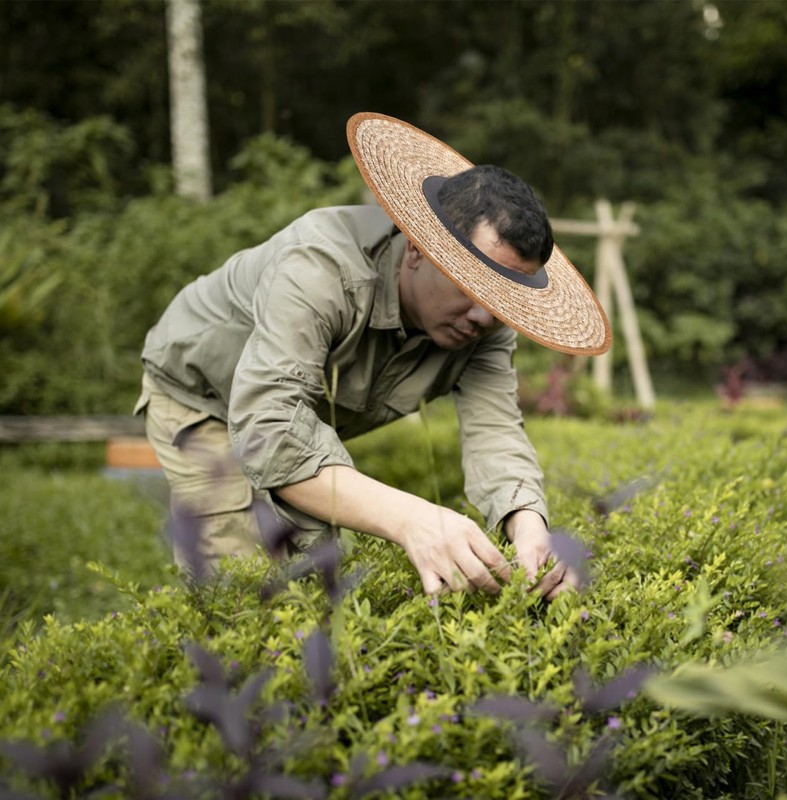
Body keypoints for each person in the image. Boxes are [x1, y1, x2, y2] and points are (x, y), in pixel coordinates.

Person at [135, 112, 611, 598]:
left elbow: (496, 432)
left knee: (312, 575)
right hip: (204, 394)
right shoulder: (320, 268)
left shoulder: (486, 325)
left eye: (502, 301)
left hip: (301, 406)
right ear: (418, 250)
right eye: (473, 289)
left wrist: (530, 529)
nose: (484, 317)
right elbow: (270, 431)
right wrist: (414, 519)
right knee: (239, 590)